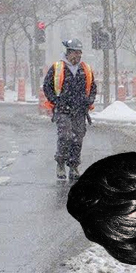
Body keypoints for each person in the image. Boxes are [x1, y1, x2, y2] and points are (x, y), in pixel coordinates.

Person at [42, 39, 97, 181]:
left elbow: (93, 88)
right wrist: (56, 101)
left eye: (80, 53)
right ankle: (60, 163)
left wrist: (89, 100)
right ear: (68, 52)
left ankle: (73, 166)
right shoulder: (57, 67)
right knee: (65, 137)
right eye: (75, 52)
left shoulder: (85, 69)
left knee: (78, 139)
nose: (78, 56)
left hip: (79, 110)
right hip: (63, 110)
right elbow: (47, 86)